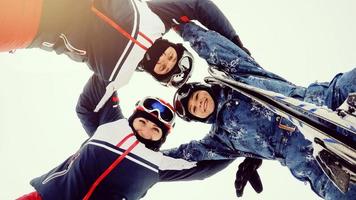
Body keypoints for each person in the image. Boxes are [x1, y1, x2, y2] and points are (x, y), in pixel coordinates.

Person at [164, 22, 356, 199]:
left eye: (198, 97)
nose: (200, 104)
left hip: (322, 102)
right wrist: (143, 162)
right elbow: (185, 155)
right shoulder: (221, 140)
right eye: (194, 109)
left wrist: (180, 26)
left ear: (205, 89)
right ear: (198, 118)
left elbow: (211, 46)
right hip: (309, 160)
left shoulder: (237, 77)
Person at [0, 0, 250, 112]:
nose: (164, 61)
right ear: (173, 45)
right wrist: (237, 47)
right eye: (172, 58)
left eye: (165, 68)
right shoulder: (156, 18)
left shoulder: (118, 74)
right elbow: (198, 5)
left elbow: (88, 108)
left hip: (32, 27)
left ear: (155, 74)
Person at [17, 92, 233, 200]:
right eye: (143, 122)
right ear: (132, 119)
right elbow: (100, 88)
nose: (146, 131)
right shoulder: (112, 125)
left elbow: (204, 167)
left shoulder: (159, 163)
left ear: (162, 138)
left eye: (156, 130)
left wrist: (244, 147)